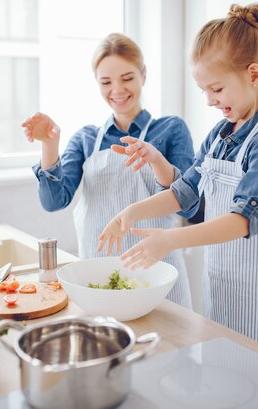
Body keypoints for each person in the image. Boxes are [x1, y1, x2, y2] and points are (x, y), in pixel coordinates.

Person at [98, 4, 258, 359]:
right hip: (224, 290)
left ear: (254, 75)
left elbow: (242, 221)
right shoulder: (220, 135)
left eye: (217, 89)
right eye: (203, 90)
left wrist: (170, 239)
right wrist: (132, 211)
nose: (209, 100)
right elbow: (185, 191)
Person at [22, 33, 194, 309]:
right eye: (106, 82)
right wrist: (49, 145)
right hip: (99, 278)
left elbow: (188, 205)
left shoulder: (171, 130)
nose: (117, 90)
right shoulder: (86, 139)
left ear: (143, 75)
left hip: (160, 275)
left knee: (170, 349)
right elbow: (54, 201)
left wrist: (156, 159)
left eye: (127, 78)